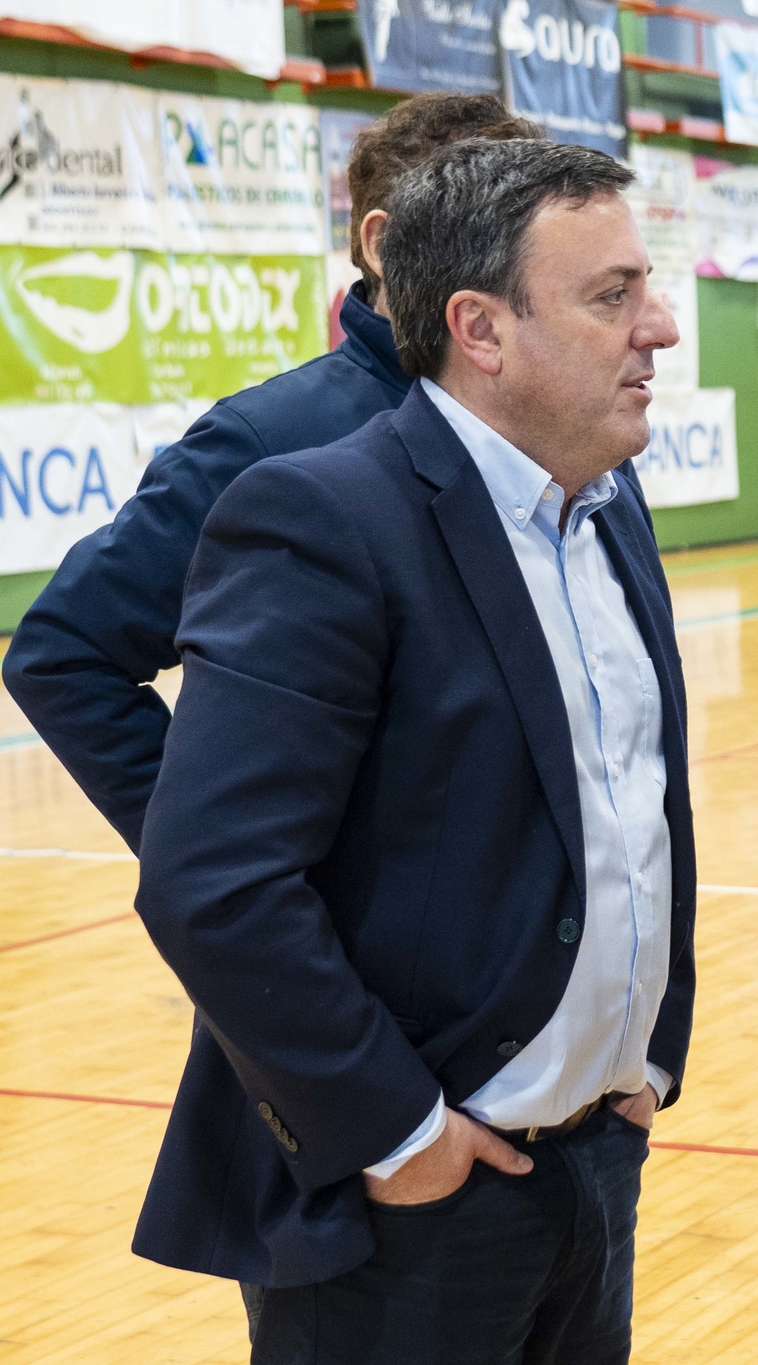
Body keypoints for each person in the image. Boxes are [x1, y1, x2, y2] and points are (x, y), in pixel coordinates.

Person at [129, 138, 696, 1364]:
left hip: (598, 1162)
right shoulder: (322, 519)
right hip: (412, 1203)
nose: (657, 328)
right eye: (612, 296)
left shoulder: (608, 504)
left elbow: (634, 811)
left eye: (645, 289)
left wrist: (650, 1056)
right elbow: (211, 881)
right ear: (479, 329)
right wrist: (399, 1135)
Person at [2, 93, 542, 855]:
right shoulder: (267, 439)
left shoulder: (559, 426)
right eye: (494, 228)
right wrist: (216, 858)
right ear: (382, 243)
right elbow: (63, 652)